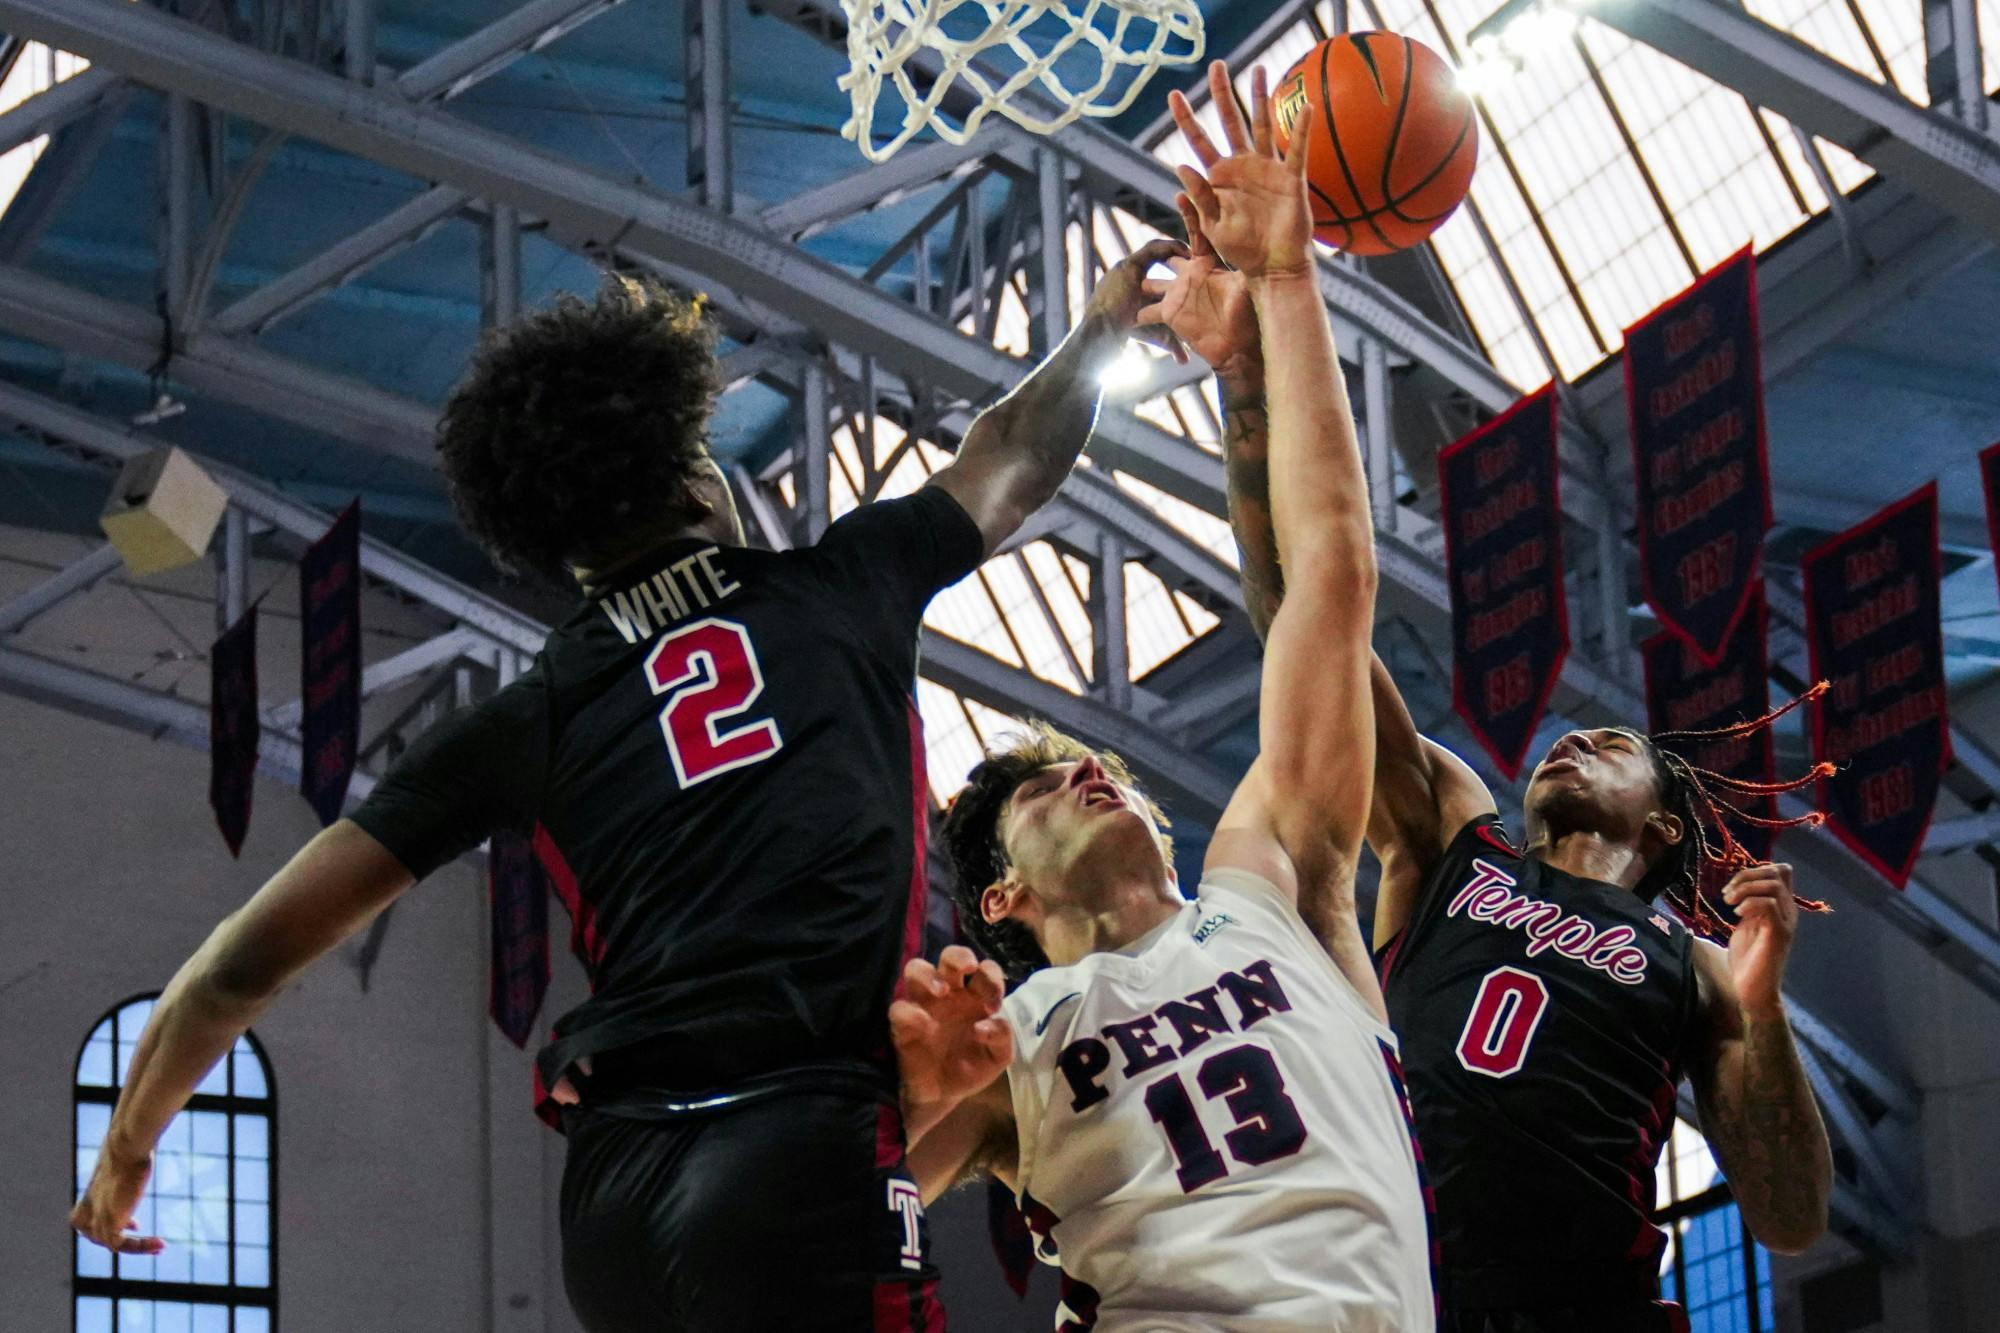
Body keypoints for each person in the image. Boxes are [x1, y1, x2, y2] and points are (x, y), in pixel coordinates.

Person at [68, 250, 1188, 1333]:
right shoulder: (843, 581)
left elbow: (239, 962)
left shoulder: (529, 714)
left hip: (615, 1198)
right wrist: (1091, 335)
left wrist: (127, 1146)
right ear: (691, 472)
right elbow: (1011, 453)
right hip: (791, 1145)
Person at [1150, 70, 1834, 1331]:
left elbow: (1789, 1212)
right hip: (1401, 1297)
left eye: (1615, 743)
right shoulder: (1454, 840)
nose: (1578, 734)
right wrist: (1242, 376)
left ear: (1665, 827)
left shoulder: (1686, 967)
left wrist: (1760, 1011)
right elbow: (1303, 610)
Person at [893, 62, 1434, 1332]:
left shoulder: (1275, 888)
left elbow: (1330, 584)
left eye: (1100, 767)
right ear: (1000, 899)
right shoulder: (1013, 1032)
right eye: (1039, 787)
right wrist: (913, 1100)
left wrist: (1290, 293)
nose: (1090, 770)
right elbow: (820, 1230)